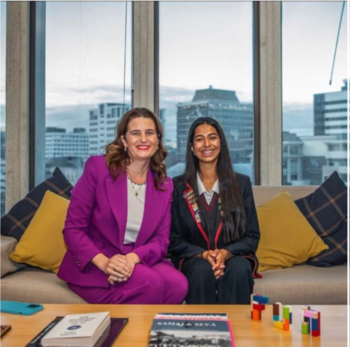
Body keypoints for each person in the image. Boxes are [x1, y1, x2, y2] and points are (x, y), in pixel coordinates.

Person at [58, 107, 188, 304]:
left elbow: (162, 240)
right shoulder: (98, 168)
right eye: (135, 133)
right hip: (97, 259)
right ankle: (123, 332)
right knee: (150, 283)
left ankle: (152, 332)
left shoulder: (164, 184)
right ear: (124, 140)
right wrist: (106, 263)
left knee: (178, 284)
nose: (143, 139)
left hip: (136, 257)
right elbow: (73, 229)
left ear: (158, 140)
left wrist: (132, 259)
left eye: (149, 133)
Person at [169, 117, 261, 304]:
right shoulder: (178, 187)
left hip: (234, 256)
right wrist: (204, 255)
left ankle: (236, 330)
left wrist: (225, 254)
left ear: (221, 143)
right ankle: (201, 331)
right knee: (201, 271)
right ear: (192, 147)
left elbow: (252, 236)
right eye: (199, 139)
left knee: (237, 269)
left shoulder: (241, 184)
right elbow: (174, 239)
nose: (206, 144)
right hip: (194, 259)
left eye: (212, 137)